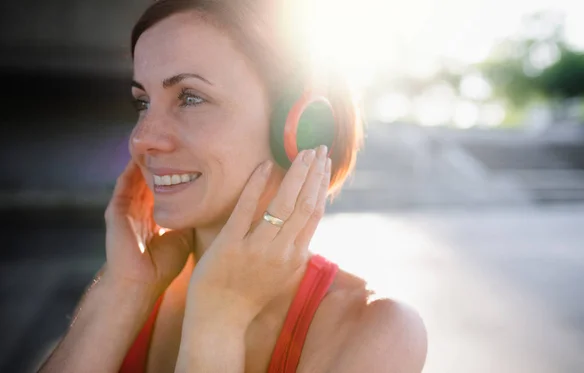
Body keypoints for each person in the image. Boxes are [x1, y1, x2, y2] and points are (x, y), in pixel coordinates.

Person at [38, 0, 427, 372]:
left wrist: (218, 321)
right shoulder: (130, 289)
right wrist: (121, 293)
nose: (141, 139)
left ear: (301, 128)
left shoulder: (375, 332)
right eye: (143, 102)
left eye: (190, 97)